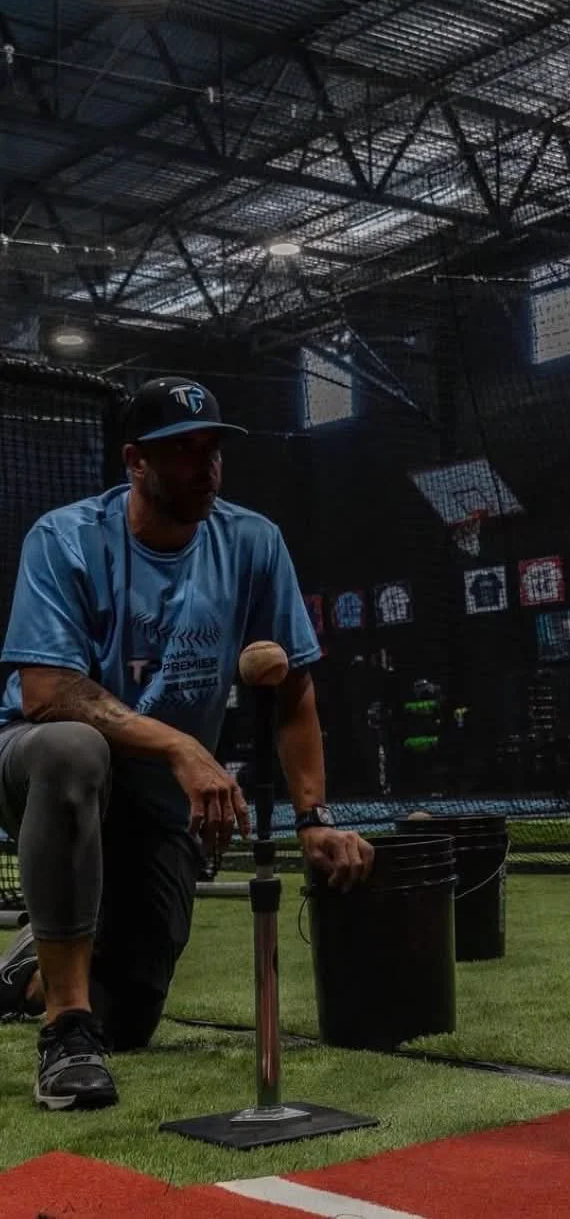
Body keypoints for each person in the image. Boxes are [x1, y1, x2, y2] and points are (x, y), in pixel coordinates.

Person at [0, 376, 374, 1111]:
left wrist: (313, 819)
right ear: (135, 461)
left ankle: (32, 966)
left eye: (212, 450)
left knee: (134, 1014)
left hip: (158, 802)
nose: (204, 467)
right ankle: (65, 1028)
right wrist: (180, 746)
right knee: (77, 748)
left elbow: (294, 691)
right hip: (37, 762)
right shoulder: (66, 537)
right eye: (181, 452)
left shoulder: (251, 543)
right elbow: (46, 692)